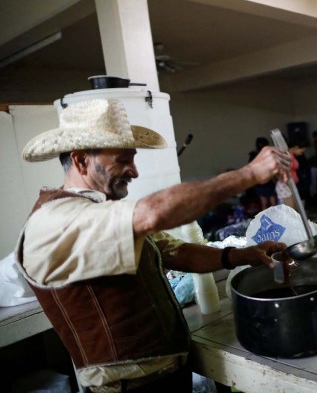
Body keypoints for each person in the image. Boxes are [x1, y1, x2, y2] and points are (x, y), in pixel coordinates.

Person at [16, 98, 290, 393]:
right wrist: (249, 174)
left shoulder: (101, 210)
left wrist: (240, 255)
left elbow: (175, 251)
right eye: (123, 159)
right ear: (81, 159)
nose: (134, 171)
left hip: (166, 373)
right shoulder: (56, 219)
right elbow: (152, 214)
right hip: (129, 387)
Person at [250, 136, 277, 210]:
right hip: (269, 179)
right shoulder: (268, 154)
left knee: (264, 203)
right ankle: (276, 219)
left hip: (259, 181)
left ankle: (265, 219)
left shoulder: (253, 156)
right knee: (273, 203)